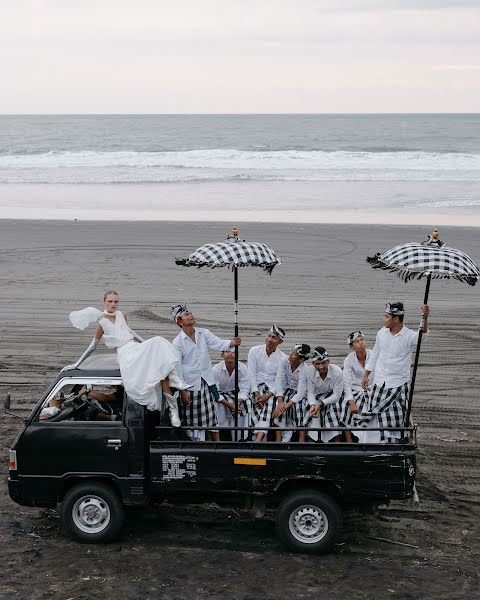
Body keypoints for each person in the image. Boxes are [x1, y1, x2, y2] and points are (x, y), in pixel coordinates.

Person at [64, 290, 185, 427]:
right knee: (157, 350)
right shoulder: (102, 323)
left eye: (116, 301)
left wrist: (145, 344)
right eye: (110, 301)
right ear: (104, 302)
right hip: (124, 353)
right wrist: (76, 364)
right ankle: (174, 398)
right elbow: (93, 346)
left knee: (159, 344)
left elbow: (131, 333)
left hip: (134, 346)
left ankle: (173, 406)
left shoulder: (123, 315)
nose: (113, 304)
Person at [360, 302, 430, 443]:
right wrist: (366, 374)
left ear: (396, 319)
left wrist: (425, 317)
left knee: (395, 420)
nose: (384, 319)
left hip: (398, 385)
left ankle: (394, 445)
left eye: (387, 317)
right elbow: (375, 355)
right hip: (380, 383)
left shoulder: (408, 335)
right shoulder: (382, 333)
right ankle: (374, 444)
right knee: (375, 418)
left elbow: (422, 337)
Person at [171, 304, 241, 442]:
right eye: (186, 315)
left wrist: (232, 343)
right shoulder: (177, 342)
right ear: (180, 321)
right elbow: (177, 368)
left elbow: (218, 343)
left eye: (190, 313)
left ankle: (218, 444)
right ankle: (198, 445)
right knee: (194, 421)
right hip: (190, 386)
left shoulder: (203, 333)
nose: (190, 315)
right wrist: (183, 390)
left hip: (206, 382)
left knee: (211, 419)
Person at [247, 324, 287, 443]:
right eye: (269, 336)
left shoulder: (283, 358)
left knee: (269, 405)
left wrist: (267, 396)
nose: (270, 339)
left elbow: (279, 381)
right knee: (248, 403)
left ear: (280, 341)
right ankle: (253, 438)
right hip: (255, 389)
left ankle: (258, 440)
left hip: (271, 391)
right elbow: (251, 374)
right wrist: (256, 394)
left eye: (274, 337)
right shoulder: (254, 351)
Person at [271, 343, 311, 443]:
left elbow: (301, 392)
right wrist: (280, 402)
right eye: (292, 351)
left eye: (294, 354)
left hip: (300, 394)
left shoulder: (304, 369)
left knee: (300, 407)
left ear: (301, 359)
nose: (290, 354)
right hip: (288, 390)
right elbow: (279, 380)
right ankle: (278, 438)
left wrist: (284, 407)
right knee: (277, 405)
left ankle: (301, 439)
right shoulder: (285, 361)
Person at [306, 347, 345, 443]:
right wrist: (313, 405)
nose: (321, 367)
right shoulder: (310, 371)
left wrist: (321, 404)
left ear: (328, 362)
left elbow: (337, 395)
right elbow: (310, 392)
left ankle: (337, 441)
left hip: (335, 395)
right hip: (318, 395)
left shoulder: (337, 372)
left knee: (334, 408)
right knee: (309, 409)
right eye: (317, 364)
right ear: (313, 364)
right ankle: (315, 439)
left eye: (323, 363)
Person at [342, 331, 374, 443]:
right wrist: (351, 402)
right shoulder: (349, 359)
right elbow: (346, 382)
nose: (361, 343)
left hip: (373, 391)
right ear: (352, 347)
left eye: (362, 340)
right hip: (356, 392)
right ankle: (351, 440)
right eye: (357, 341)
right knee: (344, 406)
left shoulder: (374, 355)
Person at [213, 350, 250, 440]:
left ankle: (241, 436)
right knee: (218, 404)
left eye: (233, 352)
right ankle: (222, 433)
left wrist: (238, 402)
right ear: (222, 355)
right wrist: (229, 405)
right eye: (227, 351)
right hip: (220, 394)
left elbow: (245, 389)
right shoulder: (216, 369)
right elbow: (215, 392)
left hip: (233, 394)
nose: (230, 354)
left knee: (247, 403)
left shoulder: (243, 368)